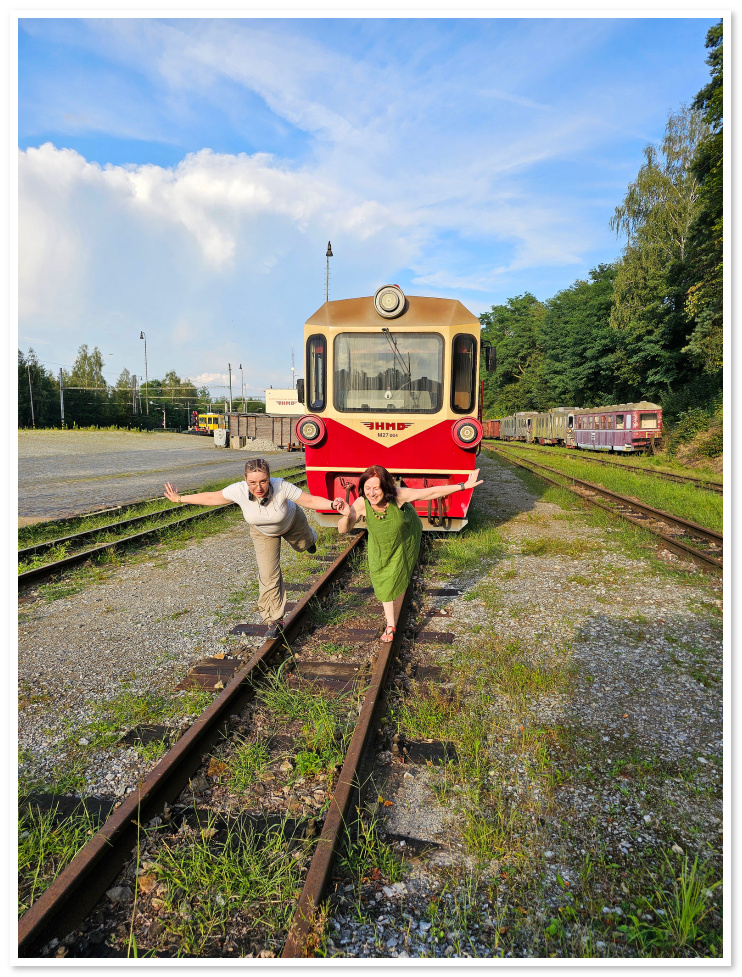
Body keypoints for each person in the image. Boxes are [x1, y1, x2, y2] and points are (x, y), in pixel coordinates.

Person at [164, 458, 336, 638]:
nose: (258, 487)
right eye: (252, 482)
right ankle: (274, 619)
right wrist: (179, 498)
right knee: (268, 574)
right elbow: (211, 496)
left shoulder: (281, 486)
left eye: (263, 481)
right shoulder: (237, 490)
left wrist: (332, 505)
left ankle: (310, 540)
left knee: (303, 546)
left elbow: (309, 501)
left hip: (292, 522)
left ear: (270, 478)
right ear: (245, 479)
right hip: (263, 532)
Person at [332, 466, 483, 642]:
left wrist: (464, 486)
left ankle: (394, 608)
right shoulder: (360, 503)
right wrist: (344, 515)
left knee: (400, 565)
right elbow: (343, 529)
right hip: (381, 544)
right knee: (382, 579)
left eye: (376, 488)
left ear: (385, 487)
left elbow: (429, 492)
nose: (372, 493)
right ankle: (391, 624)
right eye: (368, 488)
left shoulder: (398, 496)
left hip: (406, 533)